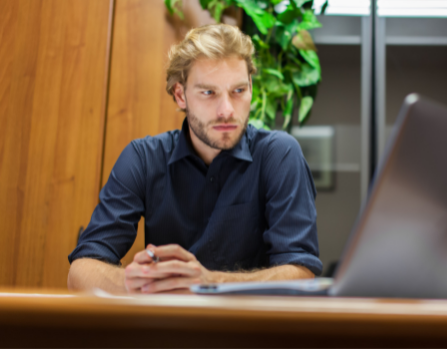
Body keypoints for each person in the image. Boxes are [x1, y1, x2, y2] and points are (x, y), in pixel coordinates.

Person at [67, 24, 322, 294]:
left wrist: (209, 283)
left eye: (238, 91)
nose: (226, 110)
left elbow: (301, 274)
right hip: (166, 331)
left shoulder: (279, 155)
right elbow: (81, 271)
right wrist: (139, 282)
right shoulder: (142, 158)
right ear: (180, 95)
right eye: (208, 93)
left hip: (251, 331)